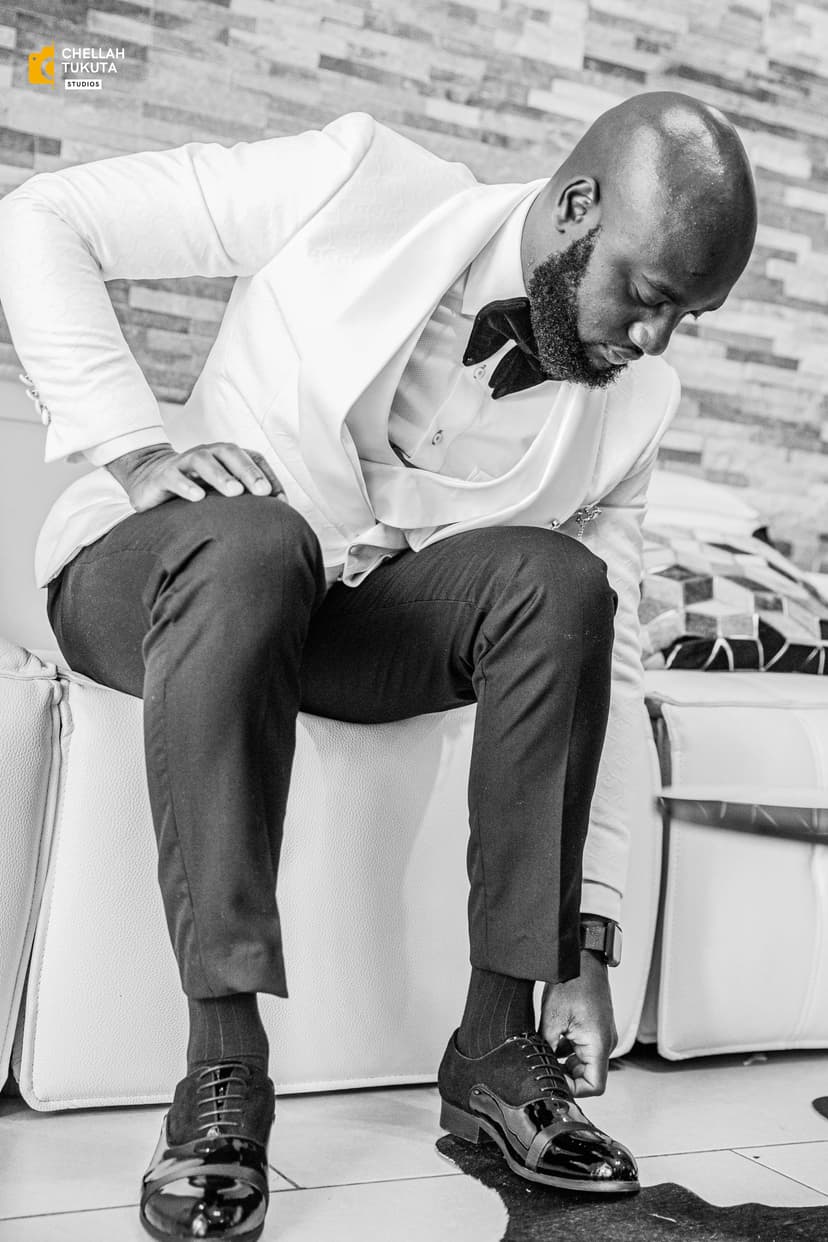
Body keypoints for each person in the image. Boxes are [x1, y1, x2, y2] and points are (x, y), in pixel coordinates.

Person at [0, 90, 756, 1240]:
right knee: (258, 537)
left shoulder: (634, 406)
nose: (654, 341)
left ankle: (497, 1051)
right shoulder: (355, 182)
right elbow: (42, 217)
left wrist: (590, 938)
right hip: (172, 578)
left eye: (684, 320)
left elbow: (617, 660)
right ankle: (222, 1068)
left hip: (358, 631)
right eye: (650, 297)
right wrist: (135, 445)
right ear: (580, 205)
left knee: (566, 584)